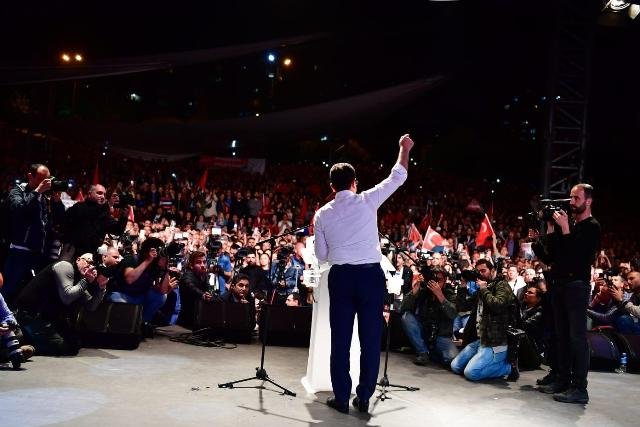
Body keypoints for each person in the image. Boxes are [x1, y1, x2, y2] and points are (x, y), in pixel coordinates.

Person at [313, 133, 413, 414]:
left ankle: (342, 398)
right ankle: (365, 396)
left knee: (340, 340)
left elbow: (321, 256)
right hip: (371, 278)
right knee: (370, 340)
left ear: (332, 186)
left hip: (341, 279)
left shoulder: (322, 214)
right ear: (355, 182)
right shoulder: (368, 200)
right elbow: (398, 175)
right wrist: (403, 147)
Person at [531, 183, 601, 404]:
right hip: (560, 285)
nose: (571, 202)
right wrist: (551, 230)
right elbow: (552, 257)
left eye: (576, 198)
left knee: (577, 338)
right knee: (561, 336)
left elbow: (579, 258)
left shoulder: (592, 227)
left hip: (577, 287)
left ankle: (580, 388)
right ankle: (562, 379)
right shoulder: (568, 226)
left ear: (588, 201)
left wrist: (566, 230)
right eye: (570, 198)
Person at [14, 253, 108, 355]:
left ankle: (27, 340)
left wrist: (101, 288)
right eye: (89, 262)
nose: (91, 266)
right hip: (30, 314)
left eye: (93, 265)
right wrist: (86, 280)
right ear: (78, 259)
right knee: (61, 346)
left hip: (47, 318)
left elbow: (91, 306)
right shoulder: (65, 266)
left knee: (74, 344)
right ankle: (22, 342)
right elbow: (67, 297)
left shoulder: (79, 279)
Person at [450, 259, 518, 382]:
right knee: (455, 366)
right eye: (478, 271)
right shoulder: (483, 288)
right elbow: (462, 308)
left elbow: (497, 305)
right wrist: (463, 286)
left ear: (492, 271)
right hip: (480, 340)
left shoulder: (502, 285)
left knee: (471, 373)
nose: (481, 274)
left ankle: (508, 368)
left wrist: (483, 289)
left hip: (495, 341)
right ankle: (484, 362)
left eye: (484, 270)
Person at [1, 163, 52, 303]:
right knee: (8, 285)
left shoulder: (44, 196)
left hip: (36, 249)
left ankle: (12, 315)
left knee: (26, 287)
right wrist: (36, 192)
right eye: (41, 179)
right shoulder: (17, 191)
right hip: (19, 248)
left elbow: (47, 221)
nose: (45, 183)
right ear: (30, 176)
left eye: (47, 180)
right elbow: (19, 209)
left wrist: (57, 203)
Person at [108, 237, 177, 330]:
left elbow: (163, 291)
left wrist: (165, 268)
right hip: (121, 295)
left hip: (140, 296)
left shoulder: (156, 267)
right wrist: (148, 261)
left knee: (161, 296)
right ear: (147, 251)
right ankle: (125, 325)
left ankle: (141, 323)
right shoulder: (131, 258)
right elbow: (130, 279)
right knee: (118, 301)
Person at [400, 268, 459, 367]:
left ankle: (431, 353)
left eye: (439, 280)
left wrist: (440, 296)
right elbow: (403, 308)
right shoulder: (424, 292)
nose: (435, 284)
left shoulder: (450, 294)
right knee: (406, 317)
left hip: (441, 336)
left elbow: (453, 314)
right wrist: (414, 291)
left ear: (445, 281)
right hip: (424, 331)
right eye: (433, 280)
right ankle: (423, 352)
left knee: (451, 359)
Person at [61, 184, 128, 260]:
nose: (102, 196)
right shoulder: (79, 207)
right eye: (99, 193)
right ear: (89, 194)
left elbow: (117, 230)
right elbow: (90, 214)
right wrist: (108, 205)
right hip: (72, 252)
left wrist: (124, 216)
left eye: (104, 194)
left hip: (90, 255)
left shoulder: (104, 214)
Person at [177, 250, 220, 329]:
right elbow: (191, 287)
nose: (203, 265)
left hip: (200, 319)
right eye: (199, 262)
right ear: (191, 265)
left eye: (204, 262)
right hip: (187, 322)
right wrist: (202, 295)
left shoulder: (204, 275)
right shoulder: (187, 276)